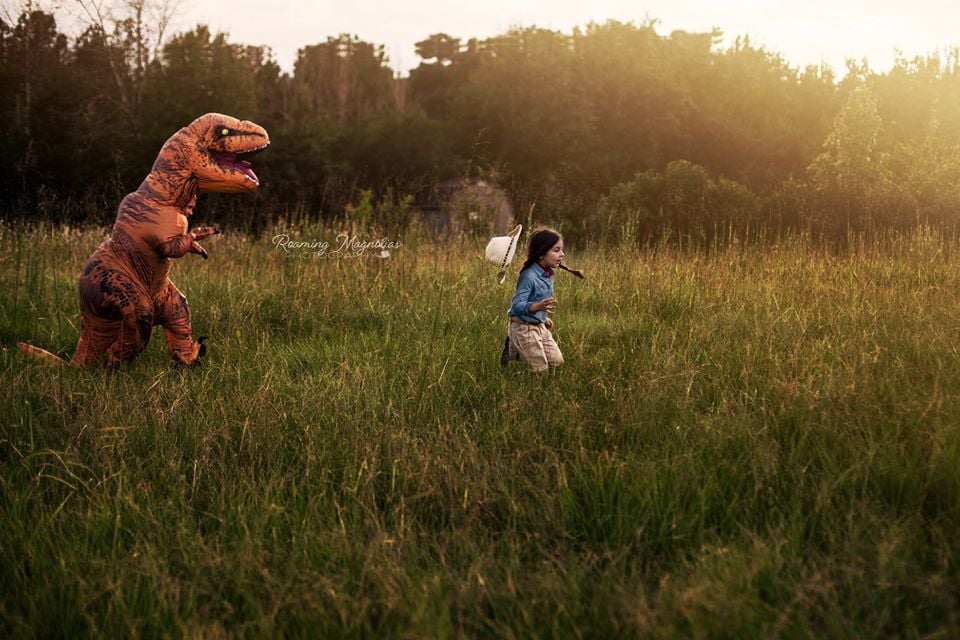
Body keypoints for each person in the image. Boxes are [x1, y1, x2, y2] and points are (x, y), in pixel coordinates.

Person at [500, 228, 565, 373]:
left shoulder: (547, 274)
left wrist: (543, 318)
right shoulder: (528, 276)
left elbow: (536, 300)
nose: (562, 254)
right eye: (556, 250)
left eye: (561, 250)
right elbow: (516, 306)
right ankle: (514, 345)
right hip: (523, 327)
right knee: (540, 369)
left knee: (556, 361)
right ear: (542, 253)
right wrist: (536, 307)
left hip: (539, 325)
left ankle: (514, 348)